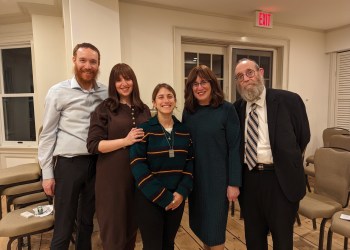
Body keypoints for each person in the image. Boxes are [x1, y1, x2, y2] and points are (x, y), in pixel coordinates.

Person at [233, 58, 310, 250]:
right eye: (240, 76)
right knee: (254, 240)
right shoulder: (236, 109)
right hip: (249, 181)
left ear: (260, 72)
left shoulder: (289, 100)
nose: (246, 79)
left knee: (282, 241)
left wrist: (285, 159)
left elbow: (303, 136)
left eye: (250, 72)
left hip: (280, 181)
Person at [38, 43, 108, 250]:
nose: (88, 66)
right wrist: (47, 173)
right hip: (68, 165)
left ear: (98, 64)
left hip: (96, 164)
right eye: (83, 60)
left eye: (93, 62)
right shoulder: (58, 92)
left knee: (87, 222)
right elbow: (47, 134)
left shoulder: (105, 93)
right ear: (74, 61)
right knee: (63, 225)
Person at [86, 63, 150, 249]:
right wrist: (126, 141)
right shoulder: (105, 109)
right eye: (118, 80)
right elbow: (93, 145)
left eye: (127, 78)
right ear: (113, 84)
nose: (124, 83)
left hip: (138, 179)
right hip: (112, 180)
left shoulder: (143, 108)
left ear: (134, 81)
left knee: (131, 230)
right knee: (114, 233)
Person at [182, 65, 241, 250]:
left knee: (215, 234)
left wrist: (234, 183)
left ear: (212, 84)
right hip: (196, 180)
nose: (200, 87)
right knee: (202, 228)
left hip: (218, 182)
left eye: (204, 82)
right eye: (195, 84)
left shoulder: (227, 109)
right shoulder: (189, 111)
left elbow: (235, 147)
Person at [130, 83, 194, 250]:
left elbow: (190, 163)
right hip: (149, 199)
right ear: (153, 102)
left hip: (177, 199)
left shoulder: (184, 131)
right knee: (152, 246)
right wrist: (163, 196)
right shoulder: (143, 130)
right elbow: (137, 165)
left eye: (169, 96)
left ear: (175, 100)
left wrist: (181, 192)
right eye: (161, 97)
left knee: (168, 244)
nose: (166, 100)